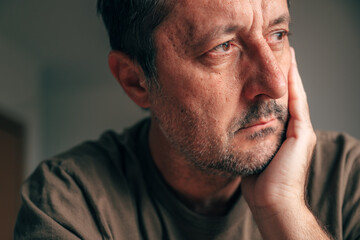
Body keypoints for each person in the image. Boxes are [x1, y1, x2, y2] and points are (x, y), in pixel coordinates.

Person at [14, 0, 360, 239]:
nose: (273, 83)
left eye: (278, 35)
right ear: (136, 81)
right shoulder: (69, 203)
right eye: (222, 47)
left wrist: (284, 211)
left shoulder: (347, 176)